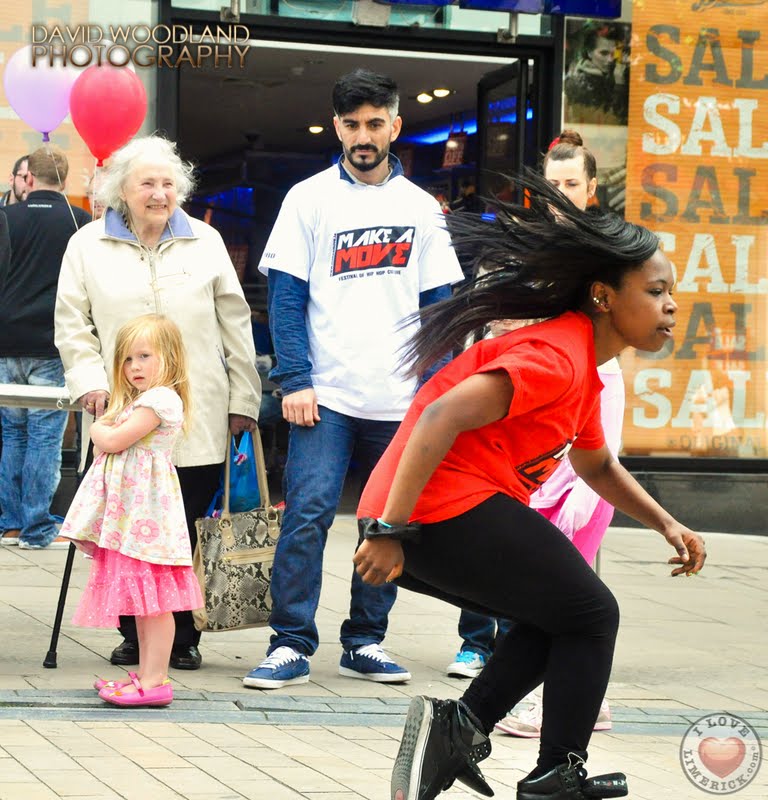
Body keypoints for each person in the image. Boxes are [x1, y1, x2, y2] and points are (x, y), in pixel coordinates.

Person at [353, 172, 707, 800]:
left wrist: (667, 524)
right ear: (604, 297)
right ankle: (556, 775)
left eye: (671, 293)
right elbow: (438, 416)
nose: (671, 305)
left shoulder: (583, 369)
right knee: (592, 613)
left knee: (562, 613)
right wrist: (388, 530)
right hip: (433, 509)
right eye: (656, 291)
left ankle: (461, 729)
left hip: (436, 510)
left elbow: (597, 466)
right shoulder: (556, 358)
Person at [244, 68, 463, 689]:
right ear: (337, 127)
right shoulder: (308, 199)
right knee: (306, 515)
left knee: (387, 524)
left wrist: (433, 394)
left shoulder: (421, 208)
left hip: (401, 401)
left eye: (374, 123)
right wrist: (294, 380)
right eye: (351, 124)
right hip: (327, 396)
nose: (363, 136)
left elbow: (439, 309)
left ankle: (365, 641)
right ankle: (289, 643)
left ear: (395, 126)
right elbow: (286, 299)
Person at [55, 135, 261, 671]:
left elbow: (234, 323)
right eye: (147, 183)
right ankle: (133, 633)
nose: (159, 193)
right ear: (120, 190)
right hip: (122, 411)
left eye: (169, 183)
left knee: (186, 527)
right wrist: (89, 383)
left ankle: (184, 636)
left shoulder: (206, 241)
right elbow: (72, 324)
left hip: (197, 411)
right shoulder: (87, 245)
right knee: (127, 527)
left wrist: (245, 397)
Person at [446, 133, 619, 730]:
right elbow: (490, 319)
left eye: (572, 184)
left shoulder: (607, 252)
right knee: (537, 557)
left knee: (577, 552)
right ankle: (536, 685)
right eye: (553, 184)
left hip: (588, 399)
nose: (561, 194)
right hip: (529, 406)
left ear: (591, 189)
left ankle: (570, 699)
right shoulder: (520, 247)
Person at [60, 315, 202, 708]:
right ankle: (147, 674)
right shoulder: (141, 400)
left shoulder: (160, 400)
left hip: (147, 519)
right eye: (127, 359)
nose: (134, 366)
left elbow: (113, 439)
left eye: (144, 356)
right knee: (144, 603)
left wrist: (97, 430)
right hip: (134, 518)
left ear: (169, 358)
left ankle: (156, 680)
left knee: (154, 602)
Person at [0, 145, 90, 549]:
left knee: (12, 434)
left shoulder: (7, 217)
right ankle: (37, 527)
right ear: (65, 181)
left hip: (6, 341)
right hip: (53, 343)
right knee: (44, 437)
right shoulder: (79, 222)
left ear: (29, 178)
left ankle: (11, 524)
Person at [564, 23, 629, 125]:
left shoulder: (610, 74)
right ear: (589, 53)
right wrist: (619, 84)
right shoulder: (580, 84)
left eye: (615, 54)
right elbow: (614, 119)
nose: (610, 59)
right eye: (604, 53)